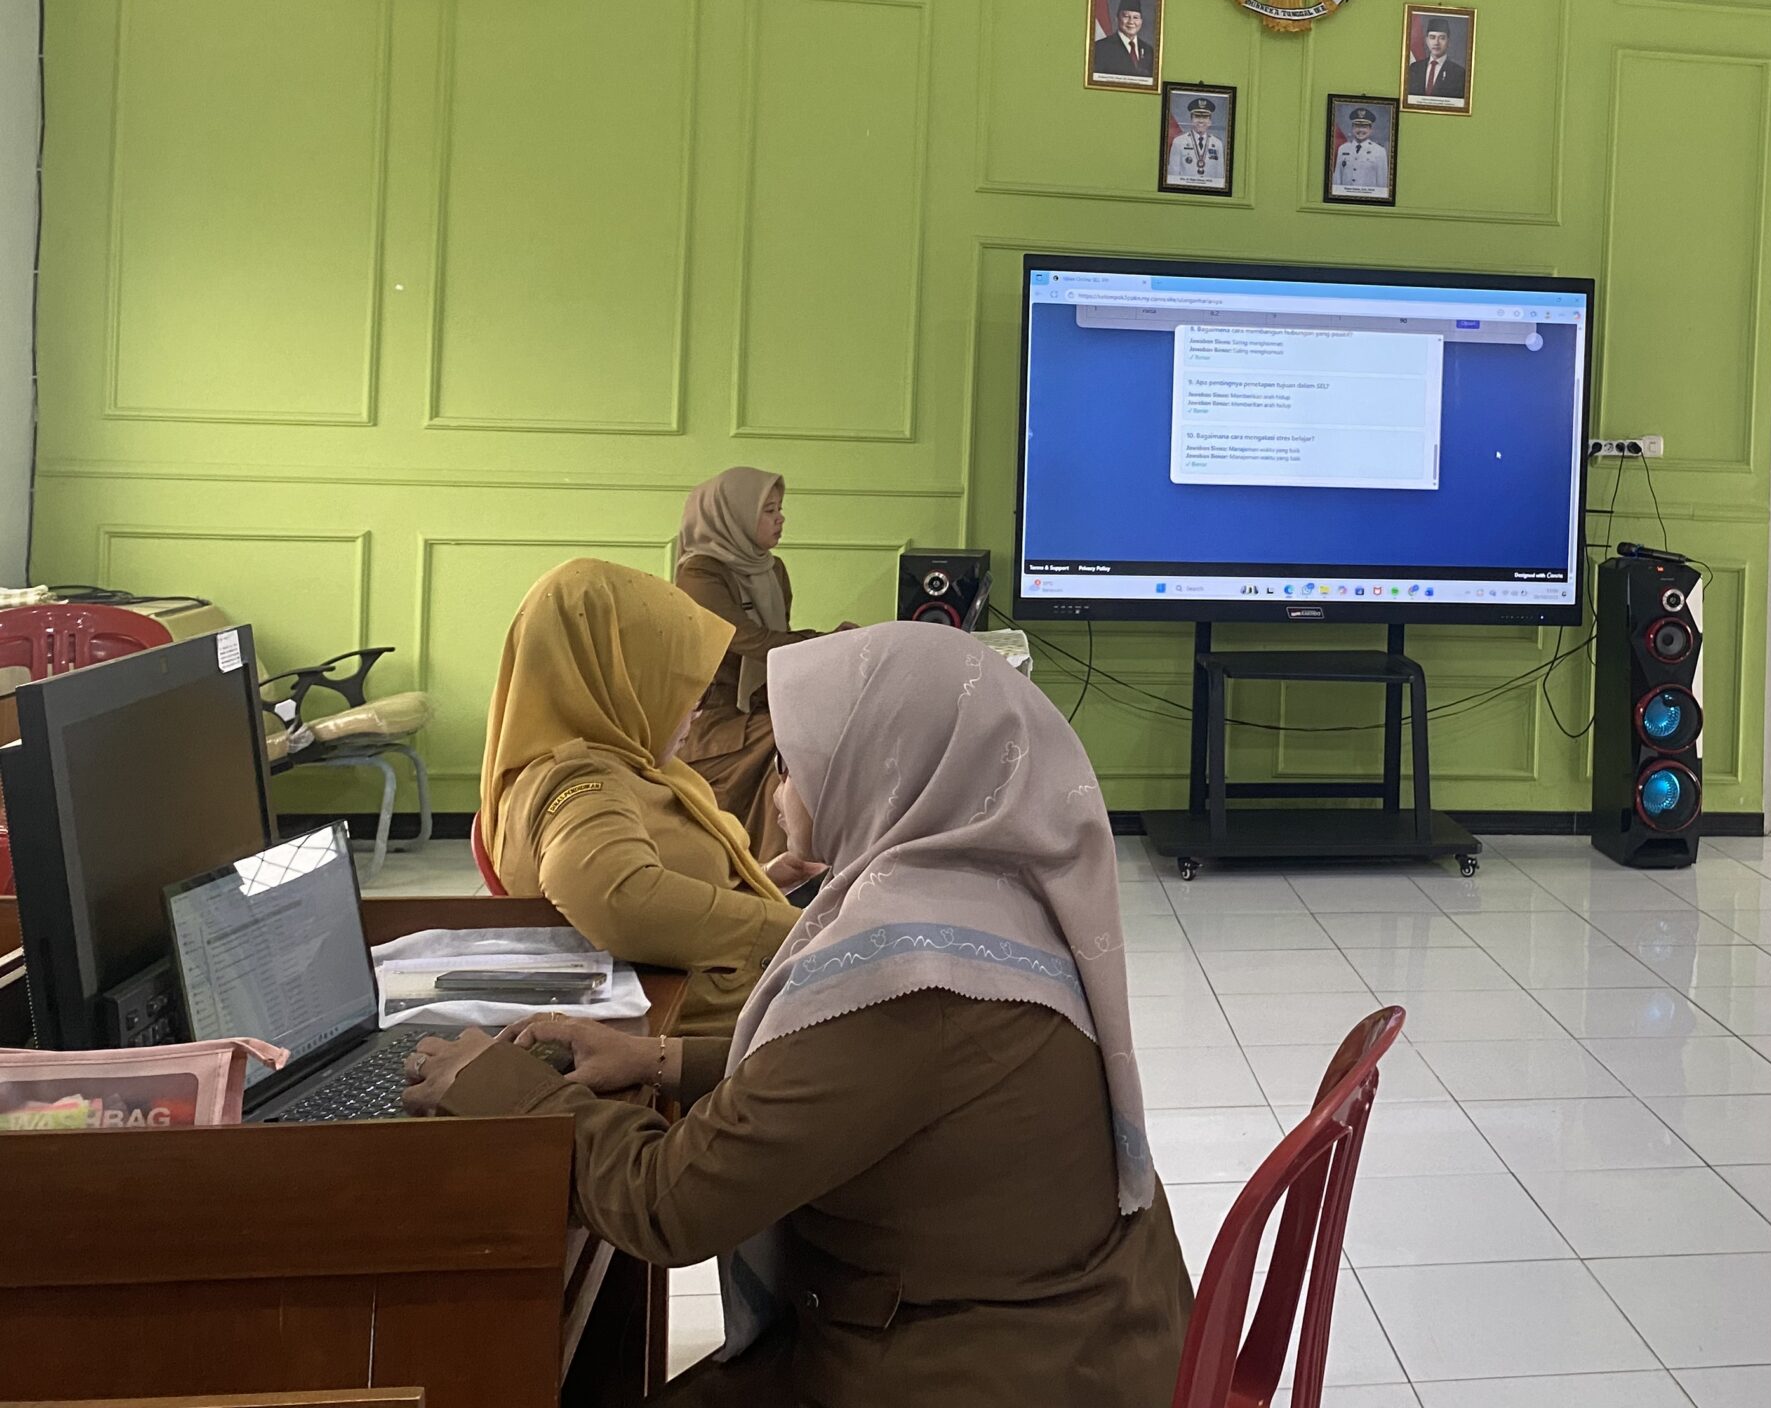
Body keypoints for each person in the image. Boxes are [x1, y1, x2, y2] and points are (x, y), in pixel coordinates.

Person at [410, 622, 1192, 1408]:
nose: (779, 792)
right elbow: (858, 1082)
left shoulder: (911, 972)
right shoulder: (988, 892)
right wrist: (660, 1060)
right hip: (1058, 1333)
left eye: (791, 764)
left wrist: (501, 1083)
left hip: (985, 1370)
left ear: (879, 765)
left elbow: (668, 1205)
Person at [477, 559, 810, 1036]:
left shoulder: (621, 764)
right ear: (624, 679)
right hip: (708, 1026)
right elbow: (617, 898)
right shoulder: (582, 782)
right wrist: (799, 932)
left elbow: (647, 871)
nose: (695, 710)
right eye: (685, 687)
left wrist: (763, 878)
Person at [675, 467, 823, 859]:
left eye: (780, 509)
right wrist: (828, 644)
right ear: (733, 516)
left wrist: (828, 643)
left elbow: (777, 647)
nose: (780, 519)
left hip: (762, 707)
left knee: (810, 736)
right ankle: (782, 866)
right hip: (712, 719)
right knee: (795, 741)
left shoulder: (773, 569)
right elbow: (749, 641)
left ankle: (787, 866)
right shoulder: (700, 572)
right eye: (769, 510)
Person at [1089, 0, 1154, 82]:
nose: (1131, 22)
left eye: (1135, 17)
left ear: (1141, 21)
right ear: (1117, 19)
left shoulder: (1148, 50)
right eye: (1126, 16)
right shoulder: (1100, 48)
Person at [1404, 17, 1468, 105]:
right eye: (1432, 37)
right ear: (1426, 40)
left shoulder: (1459, 73)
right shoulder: (1414, 68)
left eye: (1442, 38)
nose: (1436, 43)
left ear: (1448, 41)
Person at [1165, 95, 1226, 187]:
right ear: (1191, 120)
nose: (1201, 121)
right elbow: (1173, 173)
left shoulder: (1217, 144)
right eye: (1197, 116)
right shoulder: (1179, 141)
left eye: (1205, 117)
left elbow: (1220, 175)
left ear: (1210, 121)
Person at [1331, 106, 1391, 197]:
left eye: (1364, 127)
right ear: (1352, 128)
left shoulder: (1379, 151)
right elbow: (1337, 180)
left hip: (1369, 199)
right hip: (1345, 198)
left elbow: (1382, 183)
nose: (1360, 130)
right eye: (1357, 126)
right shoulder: (1343, 149)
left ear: (1370, 130)